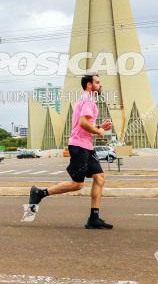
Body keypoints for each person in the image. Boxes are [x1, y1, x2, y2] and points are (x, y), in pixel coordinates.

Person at [28, 74, 113, 229]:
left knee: (99, 178)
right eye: (98, 82)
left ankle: (94, 218)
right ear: (89, 85)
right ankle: (39, 193)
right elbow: (82, 123)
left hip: (86, 145)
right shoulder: (87, 98)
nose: (100, 85)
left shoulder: (88, 99)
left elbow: (86, 124)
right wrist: (100, 131)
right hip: (79, 146)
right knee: (77, 184)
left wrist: (100, 127)